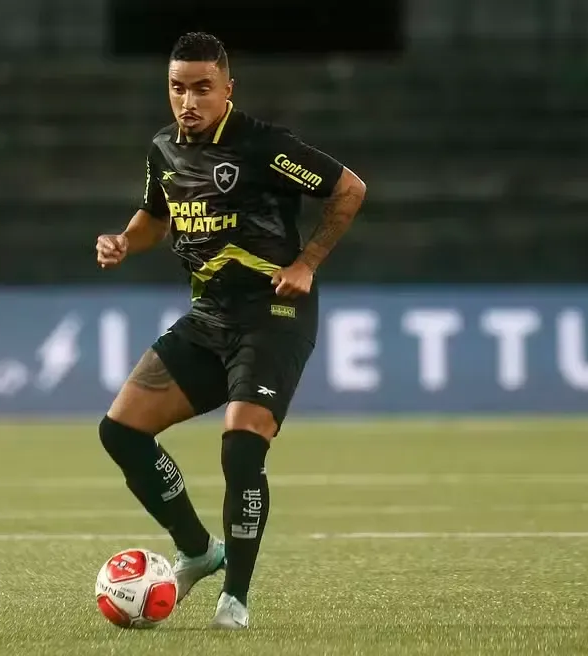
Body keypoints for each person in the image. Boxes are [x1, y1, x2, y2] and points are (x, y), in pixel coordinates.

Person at [95, 31, 366, 629]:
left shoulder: (264, 146)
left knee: (241, 445)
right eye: (176, 88)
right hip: (208, 318)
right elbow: (155, 218)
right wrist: (122, 241)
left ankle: (235, 597)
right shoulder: (164, 149)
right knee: (120, 432)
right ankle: (198, 551)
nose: (187, 101)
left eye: (201, 89)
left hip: (273, 316)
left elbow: (349, 188)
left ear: (227, 89)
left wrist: (307, 263)